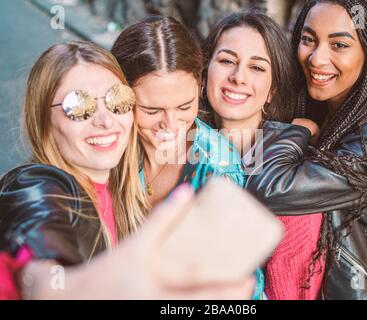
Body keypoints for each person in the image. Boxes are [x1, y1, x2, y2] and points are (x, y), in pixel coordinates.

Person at [0, 41, 254, 300]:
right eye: (78, 107)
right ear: (43, 120)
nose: (105, 120)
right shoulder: (36, 184)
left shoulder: (125, 184)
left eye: (118, 100)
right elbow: (38, 236)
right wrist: (55, 289)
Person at [245, 0, 367, 299]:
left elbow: (272, 189)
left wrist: (299, 131)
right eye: (308, 40)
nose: (317, 58)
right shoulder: (330, 108)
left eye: (339, 45)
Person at [111, 16, 266, 299]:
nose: (171, 125)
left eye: (185, 106)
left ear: (199, 84)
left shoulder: (218, 168)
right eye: (152, 110)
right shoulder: (110, 145)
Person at [200, 10, 325, 300]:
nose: (238, 77)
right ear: (206, 70)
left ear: (272, 92)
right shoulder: (182, 148)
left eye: (256, 68)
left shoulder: (294, 174)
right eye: (227, 61)